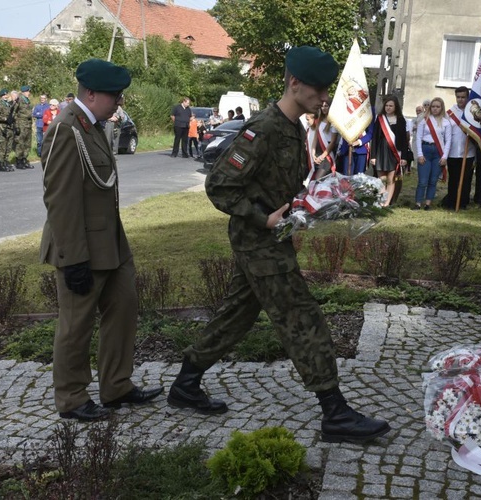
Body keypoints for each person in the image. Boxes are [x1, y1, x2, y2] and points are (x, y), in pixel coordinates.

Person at [167, 46, 391, 445]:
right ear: (294, 84)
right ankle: (334, 412)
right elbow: (219, 186)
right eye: (318, 90)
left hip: (273, 238)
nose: (324, 98)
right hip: (259, 242)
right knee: (302, 318)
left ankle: (186, 382)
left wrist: (317, 198)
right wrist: (262, 217)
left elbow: (280, 184)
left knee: (236, 315)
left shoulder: (294, 128)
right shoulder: (264, 128)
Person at [40, 58, 163, 422]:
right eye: (114, 96)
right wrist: (72, 257)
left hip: (111, 244)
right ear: (91, 94)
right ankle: (72, 397)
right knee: (76, 326)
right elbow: (60, 199)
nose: (119, 103)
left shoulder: (91, 126)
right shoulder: (66, 129)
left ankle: (116, 386)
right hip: (81, 248)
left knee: (123, 309)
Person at [371, 95, 408, 207]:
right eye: (386, 105)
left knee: (391, 179)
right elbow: (375, 138)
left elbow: (403, 140)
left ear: (396, 106)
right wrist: (373, 156)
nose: (388, 107)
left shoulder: (401, 120)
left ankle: (387, 203)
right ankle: (381, 200)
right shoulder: (380, 118)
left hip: (394, 152)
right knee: (381, 179)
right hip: (381, 151)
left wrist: (404, 157)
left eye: (391, 105)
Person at [414, 97, 450, 210]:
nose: (435, 109)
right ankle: (418, 203)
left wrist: (445, 157)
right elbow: (418, 138)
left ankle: (428, 203)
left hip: (438, 152)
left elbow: (448, 141)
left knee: (433, 180)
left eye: (437, 107)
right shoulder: (424, 120)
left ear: (442, 108)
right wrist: (419, 154)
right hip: (425, 150)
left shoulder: (446, 123)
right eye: (433, 106)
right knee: (422, 181)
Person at [443, 86, 477, 210]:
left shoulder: (472, 111)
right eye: (458, 97)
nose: (461, 100)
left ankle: (463, 202)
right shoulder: (449, 113)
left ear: (468, 98)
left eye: (463, 97)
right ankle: (452, 202)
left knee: (466, 179)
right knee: (453, 178)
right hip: (452, 151)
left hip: (468, 151)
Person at [311, 101, 338, 178]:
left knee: (318, 178)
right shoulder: (319, 120)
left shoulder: (333, 121)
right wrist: (313, 154)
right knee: (313, 179)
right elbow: (315, 138)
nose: (324, 108)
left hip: (327, 154)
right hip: (317, 153)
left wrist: (322, 156)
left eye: (326, 106)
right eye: (322, 106)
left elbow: (333, 142)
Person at [0, 88, 16, 172]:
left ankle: (6, 162)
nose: (5, 96)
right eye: (4, 95)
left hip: (9, 127)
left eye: (6, 95)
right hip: (2, 127)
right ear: (1, 96)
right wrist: (4, 118)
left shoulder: (9, 104)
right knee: (2, 146)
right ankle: (0, 164)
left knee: (8, 147)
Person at [14, 85, 34, 170]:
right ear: (23, 92)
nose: (28, 93)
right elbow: (14, 113)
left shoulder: (27, 100)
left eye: (29, 91)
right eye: (27, 91)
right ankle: (19, 160)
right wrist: (16, 125)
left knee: (27, 143)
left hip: (28, 124)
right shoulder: (19, 100)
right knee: (20, 143)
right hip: (21, 124)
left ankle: (24, 159)